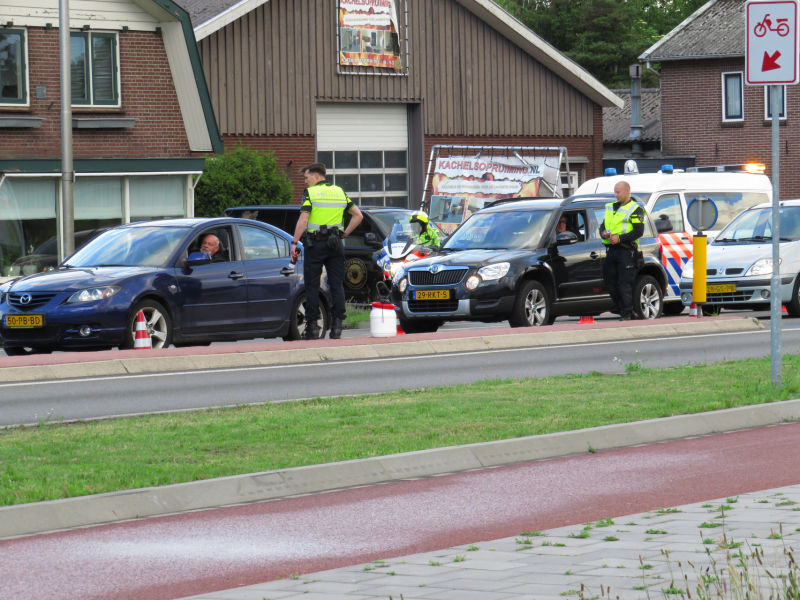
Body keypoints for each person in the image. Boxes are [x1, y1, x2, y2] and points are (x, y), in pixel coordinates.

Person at [290, 162, 363, 340]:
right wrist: (344, 234)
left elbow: (303, 220)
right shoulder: (339, 191)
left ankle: (313, 328)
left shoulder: (310, 193)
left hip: (315, 245)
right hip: (335, 244)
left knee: (312, 286)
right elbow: (358, 215)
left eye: (306, 178)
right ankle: (337, 328)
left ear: (316, 176)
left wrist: (294, 243)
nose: (305, 181)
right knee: (336, 285)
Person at [599, 181, 645, 321]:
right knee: (609, 282)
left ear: (627, 191)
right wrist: (603, 233)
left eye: (618, 192)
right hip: (611, 250)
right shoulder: (610, 207)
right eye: (615, 192)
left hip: (626, 251)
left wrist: (620, 238)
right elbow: (603, 225)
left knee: (625, 284)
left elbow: (639, 231)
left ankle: (626, 313)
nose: (616, 195)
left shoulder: (635, 209)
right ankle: (626, 310)